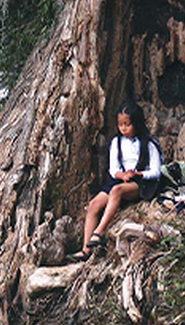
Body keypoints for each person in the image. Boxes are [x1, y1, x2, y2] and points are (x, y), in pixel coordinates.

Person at [68, 101, 163, 262]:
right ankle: (86, 250)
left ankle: (99, 232)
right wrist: (121, 175)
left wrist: (138, 174)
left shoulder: (149, 144)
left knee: (116, 191)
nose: (123, 128)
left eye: (127, 124)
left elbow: (156, 171)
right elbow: (113, 169)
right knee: (93, 205)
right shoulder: (116, 142)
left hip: (140, 182)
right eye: (120, 125)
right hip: (121, 179)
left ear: (137, 123)